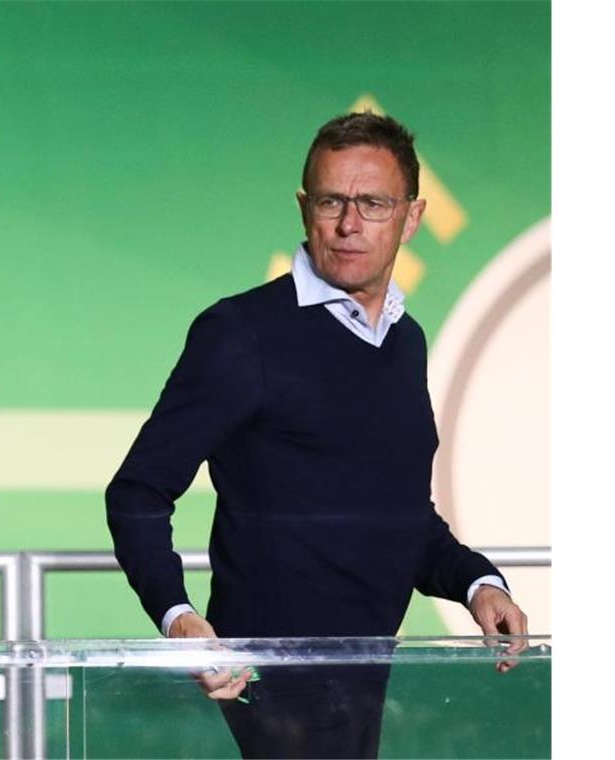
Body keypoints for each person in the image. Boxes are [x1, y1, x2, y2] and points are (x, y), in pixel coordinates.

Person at [104, 112, 529, 759]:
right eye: (332, 200)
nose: (350, 224)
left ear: (411, 218)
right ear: (305, 208)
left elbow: (401, 520)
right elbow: (137, 491)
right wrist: (179, 617)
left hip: (369, 680)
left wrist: (479, 584)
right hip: (267, 686)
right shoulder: (241, 333)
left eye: (373, 204)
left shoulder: (403, 341)